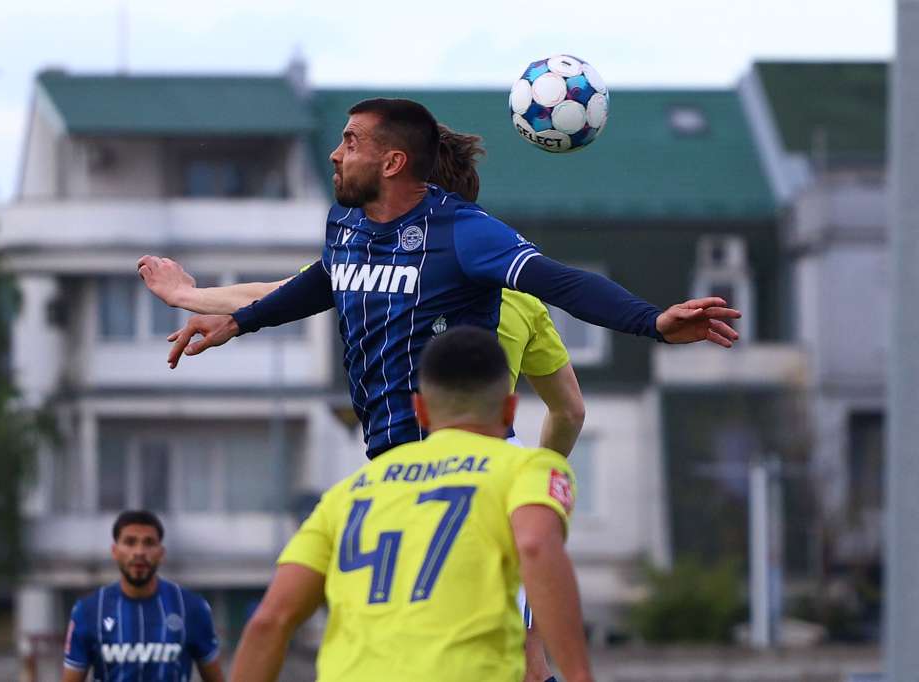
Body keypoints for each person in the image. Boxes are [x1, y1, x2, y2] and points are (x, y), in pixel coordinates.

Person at [139, 124, 581, 682]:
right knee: (517, 654)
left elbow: (282, 291)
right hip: (487, 477)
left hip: (394, 480)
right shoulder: (517, 294)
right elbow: (570, 412)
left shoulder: (378, 275)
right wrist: (536, 478)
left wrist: (188, 295)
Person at [157, 98, 739, 461]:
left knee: (488, 627)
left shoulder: (463, 231)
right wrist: (238, 321)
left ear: (392, 163)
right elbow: (321, 282)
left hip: (466, 458)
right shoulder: (345, 224)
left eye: (350, 142)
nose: (334, 154)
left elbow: (558, 282)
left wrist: (652, 322)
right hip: (388, 458)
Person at [228, 327, 595, 682]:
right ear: (510, 409)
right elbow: (535, 545)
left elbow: (270, 620)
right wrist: (579, 675)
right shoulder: (529, 470)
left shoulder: (350, 492)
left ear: (420, 409)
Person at [61, 510, 224, 682]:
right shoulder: (88, 610)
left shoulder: (192, 608)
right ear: (115, 551)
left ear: (161, 553)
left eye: (149, 543)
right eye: (130, 542)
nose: (139, 551)